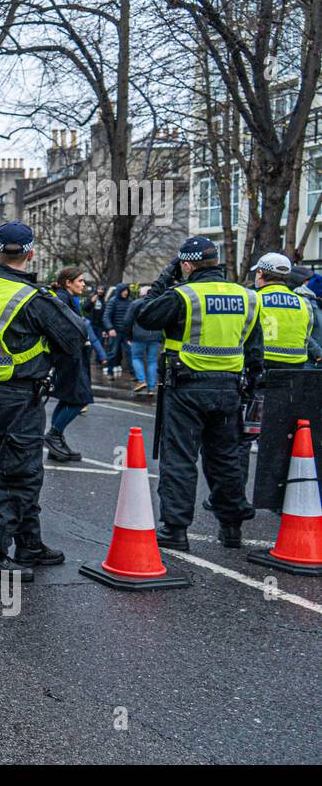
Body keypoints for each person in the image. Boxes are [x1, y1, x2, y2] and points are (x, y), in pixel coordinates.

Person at [0, 222, 85, 581]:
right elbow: (75, 336)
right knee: (18, 476)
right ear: (30, 254)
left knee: (21, 469)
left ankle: (29, 544)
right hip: (14, 395)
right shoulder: (31, 298)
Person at [136, 236, 263, 550]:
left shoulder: (184, 294)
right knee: (225, 460)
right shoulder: (246, 297)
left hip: (186, 388)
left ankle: (176, 530)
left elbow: (145, 315)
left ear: (187, 264)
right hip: (229, 389)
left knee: (180, 459)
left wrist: (166, 277)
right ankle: (231, 528)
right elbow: (255, 350)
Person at [220, 253, 313, 519]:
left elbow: (243, 336)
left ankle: (233, 496)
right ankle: (280, 499)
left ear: (261, 274)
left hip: (260, 374)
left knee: (243, 437)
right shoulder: (303, 303)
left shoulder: (255, 300)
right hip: (293, 377)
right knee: (284, 438)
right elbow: (306, 337)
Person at [45, 267, 94, 463]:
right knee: (79, 399)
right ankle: (53, 436)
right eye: (80, 281)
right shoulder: (61, 299)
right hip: (69, 357)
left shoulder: (67, 298)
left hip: (72, 356)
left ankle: (55, 444)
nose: (83, 284)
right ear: (68, 282)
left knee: (67, 398)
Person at [123, 286, 162, 395]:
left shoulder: (136, 303)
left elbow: (127, 321)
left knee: (136, 358)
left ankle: (141, 381)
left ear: (141, 293)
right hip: (155, 335)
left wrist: (128, 336)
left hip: (139, 335)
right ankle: (151, 388)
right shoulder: (158, 303)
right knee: (152, 361)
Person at [103, 284, 133, 379]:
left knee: (131, 353)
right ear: (119, 291)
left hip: (127, 333)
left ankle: (134, 374)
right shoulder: (113, 301)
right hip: (115, 332)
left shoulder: (130, 301)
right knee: (113, 353)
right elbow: (106, 316)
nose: (126, 292)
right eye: (123, 290)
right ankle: (109, 372)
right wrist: (110, 328)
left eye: (127, 290)